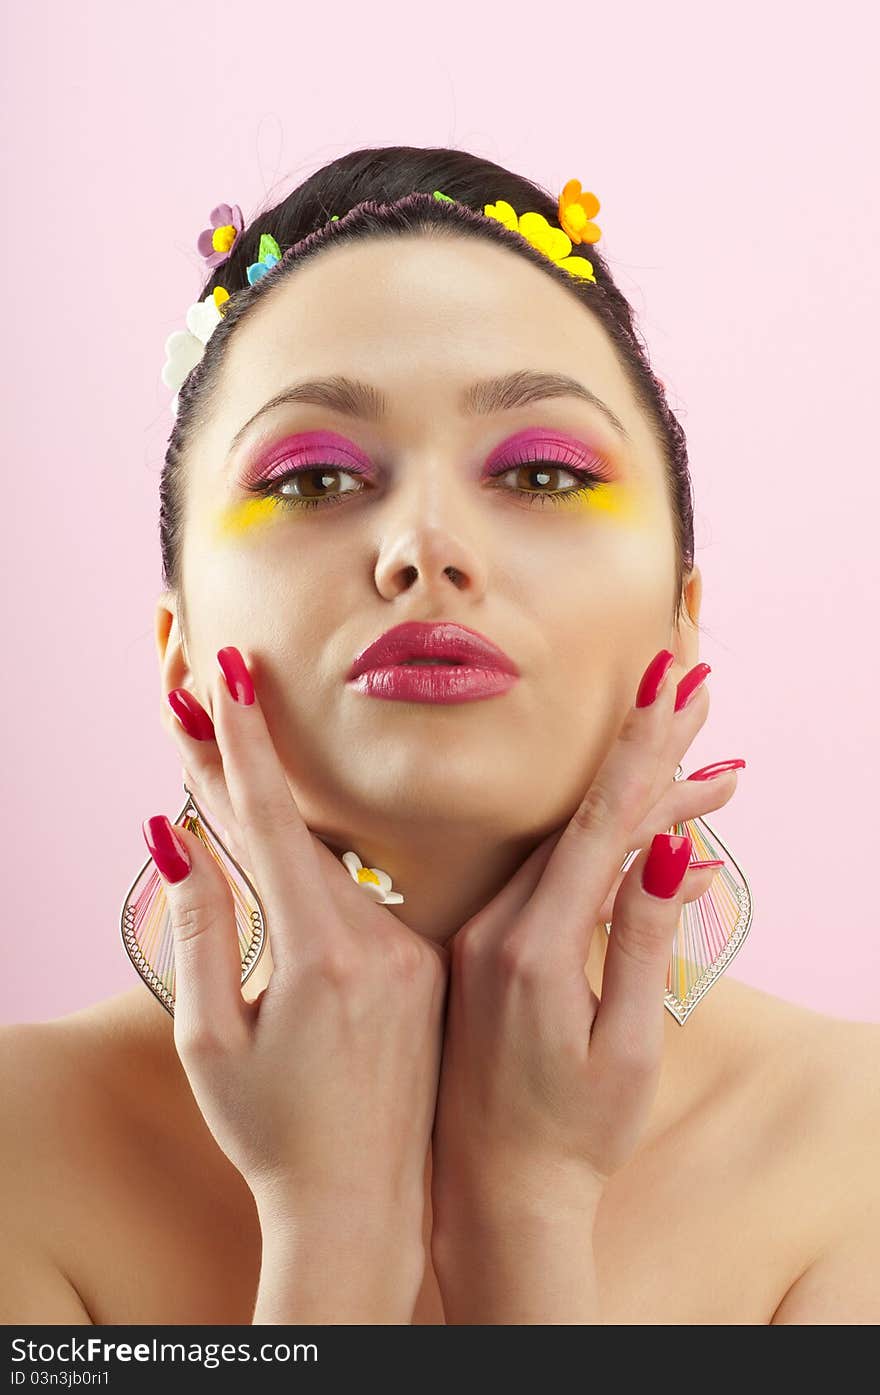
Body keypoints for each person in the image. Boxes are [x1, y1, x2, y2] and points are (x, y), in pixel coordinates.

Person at [2, 145, 877, 1326]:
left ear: (681, 615)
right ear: (180, 650)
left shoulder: (850, 1155)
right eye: (312, 480)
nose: (426, 547)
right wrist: (329, 1233)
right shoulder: (24, 1157)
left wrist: (530, 1211)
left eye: (543, 474)